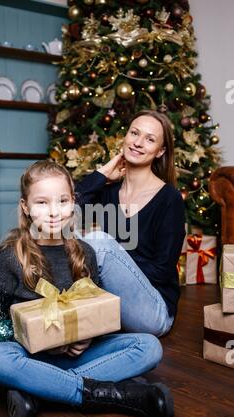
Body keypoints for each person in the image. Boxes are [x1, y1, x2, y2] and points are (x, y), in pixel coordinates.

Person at [0, 160, 173, 417]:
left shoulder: (85, 253)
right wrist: (31, 340)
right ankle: (105, 394)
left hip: (77, 355)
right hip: (30, 356)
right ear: (25, 207)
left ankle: (39, 391)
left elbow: (93, 312)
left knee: (149, 346)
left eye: (63, 200)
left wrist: (88, 339)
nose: (54, 211)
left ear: (73, 202)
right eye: (42, 203)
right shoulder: (11, 254)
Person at [76, 109, 186, 337]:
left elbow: (162, 271)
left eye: (150, 139)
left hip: (154, 311)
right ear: (124, 137)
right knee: (65, 236)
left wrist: (115, 261)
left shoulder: (169, 199)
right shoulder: (108, 192)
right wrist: (104, 173)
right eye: (134, 133)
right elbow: (65, 211)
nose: (138, 143)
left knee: (98, 241)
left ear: (160, 151)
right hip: (111, 305)